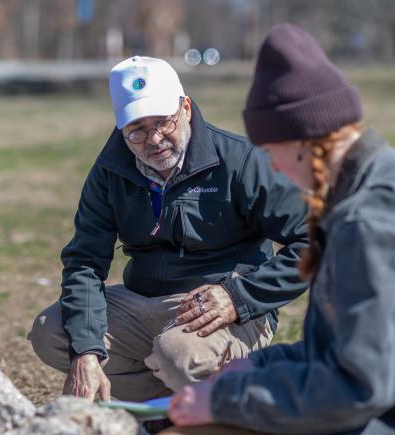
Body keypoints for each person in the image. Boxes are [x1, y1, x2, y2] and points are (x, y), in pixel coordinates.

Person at [29, 55, 309, 402]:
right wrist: (86, 352)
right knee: (52, 332)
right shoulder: (108, 172)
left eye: (164, 122)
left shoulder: (242, 161)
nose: (154, 139)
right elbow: (85, 262)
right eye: (137, 130)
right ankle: (165, 410)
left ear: (186, 108)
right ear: (121, 129)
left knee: (179, 354)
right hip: (141, 301)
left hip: (223, 303)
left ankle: (245, 401)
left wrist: (239, 297)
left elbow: (314, 241)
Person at [166, 23, 395, 435]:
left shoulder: (366, 224)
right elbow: (342, 350)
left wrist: (223, 401)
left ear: (305, 140)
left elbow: (358, 387)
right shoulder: (369, 189)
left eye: (272, 152)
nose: (272, 167)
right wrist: (261, 363)